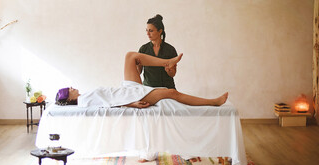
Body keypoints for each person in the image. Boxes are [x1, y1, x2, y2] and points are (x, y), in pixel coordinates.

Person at [56, 52, 228, 109]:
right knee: (172, 93)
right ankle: (213, 102)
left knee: (131, 56)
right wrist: (131, 104)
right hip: (129, 96)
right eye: (68, 89)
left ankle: (167, 62)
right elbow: (106, 106)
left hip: (125, 90)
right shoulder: (84, 101)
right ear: (69, 98)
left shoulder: (85, 96)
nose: (71, 87)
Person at [137, 14, 178, 89]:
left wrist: (169, 71)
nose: (147, 33)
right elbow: (138, 72)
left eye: (151, 31)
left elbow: (173, 74)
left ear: (160, 31)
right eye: (146, 30)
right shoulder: (143, 49)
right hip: (148, 90)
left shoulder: (170, 49)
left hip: (167, 89)